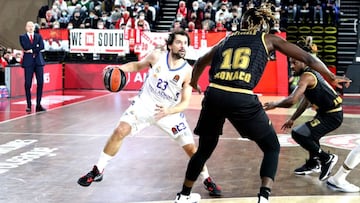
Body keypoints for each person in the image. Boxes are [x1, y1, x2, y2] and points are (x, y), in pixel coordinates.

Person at [174, 3, 351, 203]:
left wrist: (195, 82)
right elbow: (308, 58)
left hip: (214, 94)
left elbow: (199, 63)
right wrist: (330, 76)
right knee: (271, 147)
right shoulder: (268, 39)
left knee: (204, 149)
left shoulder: (227, 39)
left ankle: (184, 195)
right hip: (240, 95)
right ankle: (263, 198)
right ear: (263, 25)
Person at [77, 30, 222, 197]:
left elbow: (184, 103)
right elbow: (137, 66)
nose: (183, 46)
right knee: (119, 131)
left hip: (169, 113)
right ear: (170, 45)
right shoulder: (156, 56)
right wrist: (119, 69)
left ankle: (206, 179)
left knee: (191, 149)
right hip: (144, 105)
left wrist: (169, 111)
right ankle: (98, 170)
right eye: (179, 42)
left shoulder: (188, 71)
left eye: (185, 43)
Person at [263, 37, 351, 182]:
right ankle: (313, 163)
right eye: (290, 63)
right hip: (327, 113)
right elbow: (306, 99)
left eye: (294, 63)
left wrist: (275, 104)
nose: (291, 66)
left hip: (332, 116)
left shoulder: (307, 76)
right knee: (309, 134)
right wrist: (293, 118)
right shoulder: (310, 74)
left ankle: (326, 158)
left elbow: (292, 100)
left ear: (303, 61)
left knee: (300, 134)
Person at [19, 21, 46, 113]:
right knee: (27, 84)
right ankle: (29, 105)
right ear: (26, 27)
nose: (31, 28)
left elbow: (42, 46)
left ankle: (38, 104)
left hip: (38, 62)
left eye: (32, 26)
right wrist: (35, 47)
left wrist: (32, 50)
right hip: (28, 63)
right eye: (29, 26)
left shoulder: (38, 36)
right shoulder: (22, 37)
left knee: (40, 83)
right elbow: (26, 47)